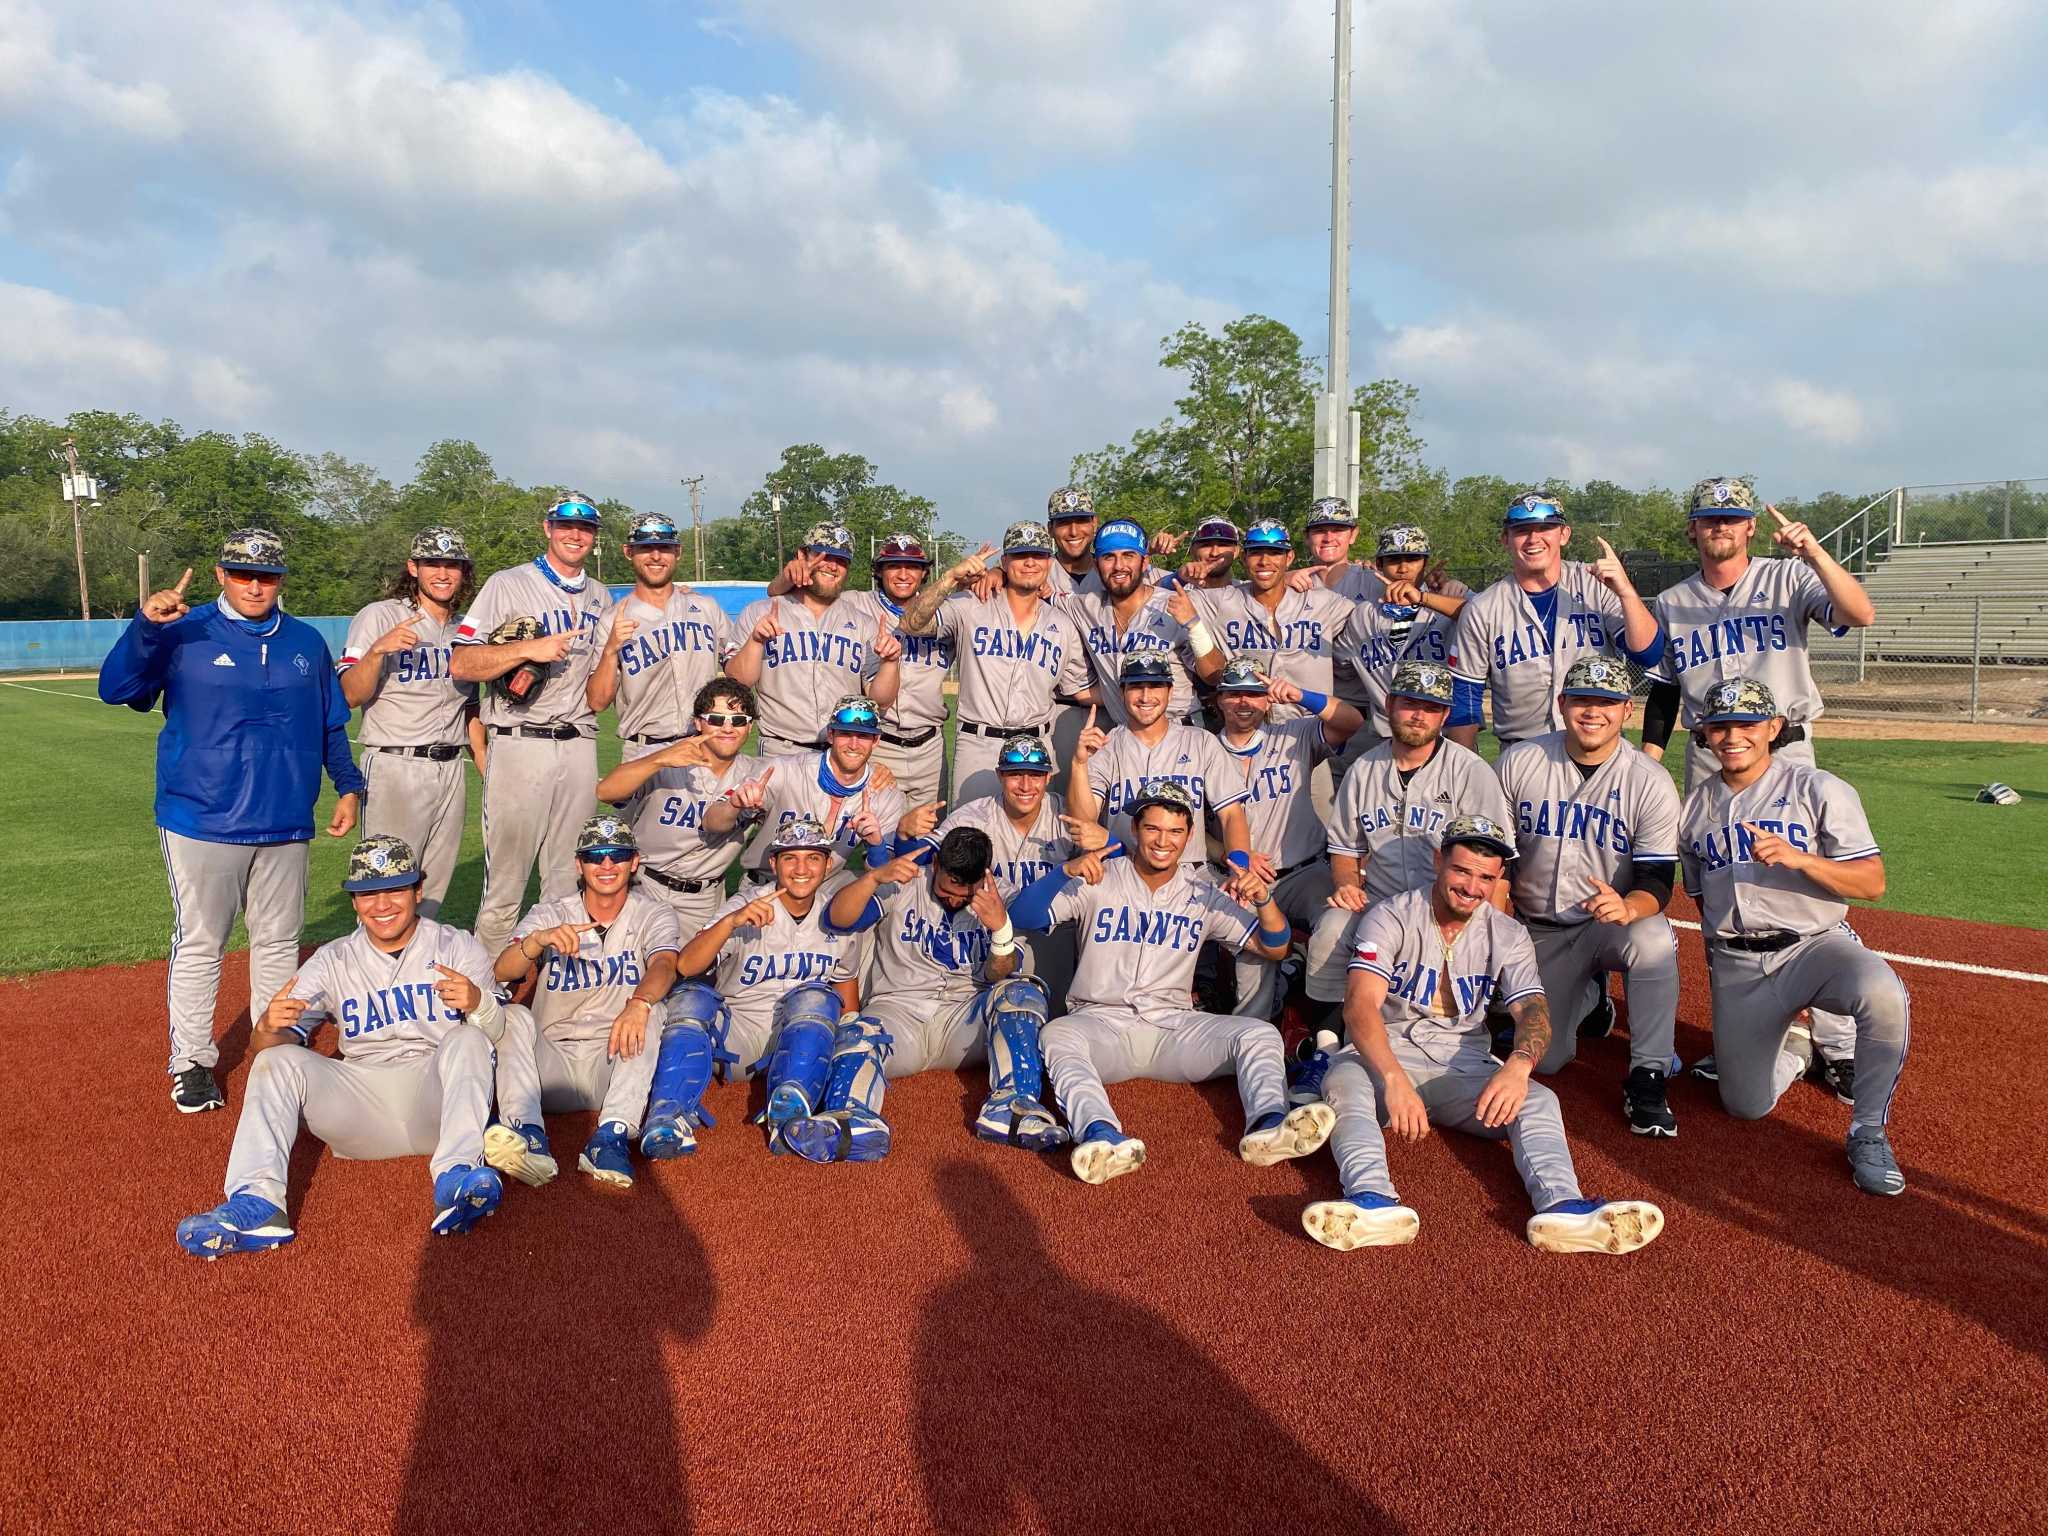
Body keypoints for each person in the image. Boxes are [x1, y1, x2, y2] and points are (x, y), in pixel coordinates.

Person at [1303, 816, 1667, 1254]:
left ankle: (1562, 1206)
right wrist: (1395, 1079)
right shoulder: (1391, 915)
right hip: (1390, 1058)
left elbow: (1532, 1009)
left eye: (1485, 877)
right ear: (1439, 861)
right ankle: (1371, 1200)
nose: (1471, 887)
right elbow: (1360, 1005)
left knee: (1538, 1098)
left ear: (1498, 880)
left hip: (1462, 1065)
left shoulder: (1508, 933)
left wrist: (1518, 1065)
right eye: (1461, 870)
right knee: (1343, 1080)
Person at [98, 528, 365, 1114]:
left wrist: (348, 786)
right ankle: (191, 1061)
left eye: (265, 575)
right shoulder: (183, 630)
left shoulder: (305, 641)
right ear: (221, 575)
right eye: (241, 573)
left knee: (277, 944)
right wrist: (147, 626)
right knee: (201, 943)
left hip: (286, 818)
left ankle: (276, 1049)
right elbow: (115, 689)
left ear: (280, 580)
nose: (254, 585)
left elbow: (329, 724)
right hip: (201, 816)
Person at [1643, 476, 1878, 1095]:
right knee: (1717, 884)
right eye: (1709, 518)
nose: (1720, 526)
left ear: (1749, 527)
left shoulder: (1788, 577)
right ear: (1693, 528)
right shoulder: (1671, 602)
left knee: (1805, 874)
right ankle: (1754, 1018)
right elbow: (1666, 690)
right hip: (1707, 749)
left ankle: (1836, 1040)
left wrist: (1817, 552)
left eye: (1732, 517)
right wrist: (1647, 756)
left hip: (1786, 747)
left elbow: (1859, 613)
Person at [174, 835, 504, 1256]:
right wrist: (267, 1027)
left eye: (394, 889)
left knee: (468, 1038)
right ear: (353, 901)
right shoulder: (333, 959)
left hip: (435, 1105)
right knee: (276, 1061)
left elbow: (499, 1037)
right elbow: (268, 1045)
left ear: (418, 890)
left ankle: (457, 1176)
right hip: (360, 1108)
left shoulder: (458, 947)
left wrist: (478, 1004)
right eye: (368, 894)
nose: (381, 905)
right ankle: (258, 1203)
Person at [1010, 781, 1334, 1185]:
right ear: (1135, 830)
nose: (1163, 841)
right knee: (1058, 1035)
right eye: (1153, 829)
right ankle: (1099, 1132)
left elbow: (1276, 948)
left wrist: (1266, 900)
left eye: (1175, 832)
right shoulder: (1099, 877)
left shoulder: (1203, 892)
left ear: (1189, 837)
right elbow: (1022, 917)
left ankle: (1268, 1124)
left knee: (1258, 1034)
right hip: (1102, 1025)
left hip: (1173, 1030)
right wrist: (1063, 873)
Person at [1678, 678, 1910, 1196]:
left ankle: (1868, 1131)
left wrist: (1799, 858)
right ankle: (1801, 1050)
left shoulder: (1818, 787)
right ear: (1705, 735)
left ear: (1774, 728)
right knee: (1744, 1106)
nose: (1732, 735)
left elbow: (1872, 882)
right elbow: (1702, 902)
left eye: (1747, 723)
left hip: (1815, 945)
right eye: (1720, 725)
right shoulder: (1693, 809)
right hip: (1739, 963)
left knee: (1883, 994)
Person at [776, 827, 1065, 1162]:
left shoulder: (1000, 895)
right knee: (857, 1030)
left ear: (984, 875)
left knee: (1021, 993)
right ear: (936, 864)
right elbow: (838, 919)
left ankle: (1013, 1109)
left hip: (964, 1019)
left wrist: (1000, 928)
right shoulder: (905, 883)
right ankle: (851, 1121)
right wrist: (873, 879)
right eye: (947, 889)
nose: (955, 899)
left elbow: (997, 973)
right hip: (900, 1013)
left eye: (965, 893)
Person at [1494, 657, 1683, 1137]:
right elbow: (1495, 857)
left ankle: (1649, 1073)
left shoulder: (1649, 780)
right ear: (1562, 705)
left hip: (1609, 923)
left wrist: (1629, 907)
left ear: (1627, 710)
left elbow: (1658, 878)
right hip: (1539, 927)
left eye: (1606, 702)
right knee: (1548, 1060)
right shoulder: (1521, 760)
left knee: (1654, 940)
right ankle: (1591, 1000)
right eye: (1581, 700)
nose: (1592, 711)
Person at [1303, 661, 1511, 1064]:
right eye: (1410, 703)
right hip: (1379, 902)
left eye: (1431, 707)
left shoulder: (1471, 772)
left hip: (1447, 908)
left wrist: (1488, 931)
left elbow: (1496, 868)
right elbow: (1345, 849)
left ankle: (1477, 1026)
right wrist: (1347, 884)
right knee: (1331, 927)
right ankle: (1325, 1039)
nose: (1419, 715)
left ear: (1445, 715)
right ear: (1389, 703)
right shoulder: (1364, 769)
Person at [449, 492, 614, 959]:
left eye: (584, 528)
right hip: (521, 740)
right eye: (565, 525)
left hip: (579, 741)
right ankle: (489, 985)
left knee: (567, 878)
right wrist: (526, 650)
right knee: (507, 878)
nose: (574, 534)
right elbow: (461, 661)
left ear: (594, 537)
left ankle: (552, 978)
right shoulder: (507, 583)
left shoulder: (601, 596)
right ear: (548, 528)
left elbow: (601, 690)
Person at [485, 813, 682, 1192]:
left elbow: (664, 964)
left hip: (612, 1066)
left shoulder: (653, 913)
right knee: (512, 1017)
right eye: (596, 856)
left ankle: (610, 1136)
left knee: (653, 1009)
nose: (606, 865)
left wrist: (638, 1002)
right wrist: (537, 941)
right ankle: (528, 1135)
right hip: (549, 1067)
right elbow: (502, 969)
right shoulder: (551, 913)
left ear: (634, 862)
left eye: (617, 854)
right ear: (580, 864)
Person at [666, 815, 879, 1152]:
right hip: (737, 1041)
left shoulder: (837, 915)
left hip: (805, 1039)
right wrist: (730, 923)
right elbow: (687, 964)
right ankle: (669, 1118)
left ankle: (790, 1119)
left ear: (827, 865)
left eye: (812, 858)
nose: (801, 868)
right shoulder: (747, 906)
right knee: (688, 999)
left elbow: (846, 994)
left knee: (820, 1001)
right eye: (790, 857)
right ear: (774, 863)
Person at [1446, 490, 1664, 751]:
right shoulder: (1483, 608)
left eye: (1545, 528)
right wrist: (1469, 774)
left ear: (1564, 534)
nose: (1533, 538)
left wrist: (1626, 591)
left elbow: (1648, 654)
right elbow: (1464, 700)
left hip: (1601, 747)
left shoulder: (1595, 584)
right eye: (1522, 530)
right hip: (1522, 751)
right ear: (1506, 538)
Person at [338, 526, 483, 919]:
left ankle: (414, 973)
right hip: (395, 765)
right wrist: (375, 653)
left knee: (432, 887)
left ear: (463, 572)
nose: (442, 573)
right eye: (432, 563)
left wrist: (490, 774)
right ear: (413, 567)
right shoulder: (381, 615)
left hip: (452, 768)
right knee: (387, 882)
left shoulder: (466, 629)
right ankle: (374, 975)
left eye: (451, 565)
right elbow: (349, 695)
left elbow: (471, 711)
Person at [897, 521, 1095, 803]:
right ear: (1004, 562)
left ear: (1049, 562)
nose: (1029, 563)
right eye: (1019, 555)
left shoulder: (1062, 625)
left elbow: (1080, 688)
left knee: (1033, 842)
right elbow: (911, 623)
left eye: (1037, 555)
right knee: (970, 837)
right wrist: (951, 577)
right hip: (979, 745)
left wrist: (1130, 697)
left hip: (1037, 747)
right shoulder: (969, 605)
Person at [1210, 659, 1364, 1019]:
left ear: (1268, 700)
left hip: (1304, 872)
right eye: (1234, 695)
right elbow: (1191, 829)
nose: (1244, 703)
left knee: (1341, 922)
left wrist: (1300, 695)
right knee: (1252, 988)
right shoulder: (1203, 749)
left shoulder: (1293, 733)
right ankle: (1259, 1024)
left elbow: (1353, 721)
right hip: (1241, 878)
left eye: (1254, 694)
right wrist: (1233, 856)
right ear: (1219, 699)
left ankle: (1325, 1027)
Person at [920, 731, 1104, 1007]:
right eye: (1015, 774)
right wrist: (900, 838)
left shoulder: (1067, 817)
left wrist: (1105, 840)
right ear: (999, 775)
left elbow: (1117, 863)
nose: (1026, 785)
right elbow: (925, 860)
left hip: (1054, 940)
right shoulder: (974, 816)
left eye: (1035, 775)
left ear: (1049, 777)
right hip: (989, 940)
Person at [594, 678, 765, 936]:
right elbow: (606, 791)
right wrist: (659, 760)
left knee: (697, 974)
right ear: (698, 723)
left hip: (704, 898)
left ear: (749, 727)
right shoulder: (666, 754)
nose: (728, 728)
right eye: (716, 719)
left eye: (738, 720)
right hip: (647, 885)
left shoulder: (755, 773)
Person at [1067, 653, 1255, 876]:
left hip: (1192, 873)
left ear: (1170, 691)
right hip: (1123, 869)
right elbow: (1083, 823)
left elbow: (1232, 814)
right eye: (1136, 686)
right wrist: (1079, 764)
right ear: (1122, 692)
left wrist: (1240, 869)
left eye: (1156, 686)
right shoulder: (1107, 745)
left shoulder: (1201, 741)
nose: (1146, 696)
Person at [726, 520, 901, 758]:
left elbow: (879, 701)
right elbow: (737, 682)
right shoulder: (760, 612)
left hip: (841, 753)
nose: (832, 566)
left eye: (841, 560)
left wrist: (891, 663)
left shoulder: (863, 623)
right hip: (781, 749)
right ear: (802, 554)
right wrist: (755, 642)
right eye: (824, 555)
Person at [1052, 517, 1223, 732]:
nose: (1119, 566)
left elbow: (1215, 675)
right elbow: (1032, 582)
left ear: (1144, 562)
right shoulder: (1084, 607)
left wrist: (1194, 626)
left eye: (1128, 556)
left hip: (1181, 733)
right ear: (1096, 565)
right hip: (1127, 740)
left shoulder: (1173, 604)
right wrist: (997, 573)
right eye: (1108, 557)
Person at [587, 512, 735, 760]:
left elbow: (739, 673)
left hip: (703, 746)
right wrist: (611, 650)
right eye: (645, 547)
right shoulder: (612, 619)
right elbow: (598, 702)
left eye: (664, 547)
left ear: (677, 551)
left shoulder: (706, 608)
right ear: (628, 552)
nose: (656, 556)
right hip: (643, 750)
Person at [725, 695, 920, 880]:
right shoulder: (784, 770)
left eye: (863, 735)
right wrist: (734, 804)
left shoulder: (886, 796)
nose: (853, 744)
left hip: (823, 893)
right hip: (765, 884)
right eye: (845, 733)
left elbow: (880, 873)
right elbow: (713, 824)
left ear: (876, 741)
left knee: (885, 893)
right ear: (831, 735)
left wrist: (876, 844)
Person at [1185, 517, 1356, 722]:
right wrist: (1179, 574)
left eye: (1275, 553)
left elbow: (1370, 618)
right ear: (1244, 558)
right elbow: (1160, 598)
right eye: (1256, 552)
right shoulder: (1221, 600)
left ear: (1289, 557)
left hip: (1311, 730)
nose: (1264, 561)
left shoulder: (1324, 602)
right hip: (1248, 726)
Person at [1332, 524, 1467, 765]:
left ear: (1425, 563)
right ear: (1379, 564)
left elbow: (1485, 617)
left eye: (1412, 559)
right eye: (1394, 559)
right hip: (1382, 740)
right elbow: (1336, 664)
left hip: (1441, 737)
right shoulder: (1363, 616)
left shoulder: (1447, 607)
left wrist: (1425, 599)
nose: (1403, 568)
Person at [837, 533, 953, 807]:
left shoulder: (947, 612)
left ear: (925, 572)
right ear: (878, 570)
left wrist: (995, 573)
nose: (903, 574)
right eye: (893, 565)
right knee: (879, 837)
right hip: (881, 742)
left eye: (912, 566)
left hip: (930, 745)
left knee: (926, 839)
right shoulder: (854, 603)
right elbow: (806, 595)